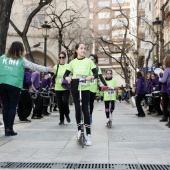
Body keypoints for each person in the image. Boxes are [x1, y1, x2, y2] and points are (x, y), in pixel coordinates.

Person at [0, 41, 54, 136]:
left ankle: (6, 129)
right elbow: (34, 66)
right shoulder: (21, 60)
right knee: (12, 107)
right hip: (14, 85)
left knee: (6, 106)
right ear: (21, 51)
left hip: (2, 84)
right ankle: (9, 129)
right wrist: (47, 69)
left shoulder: (2, 58)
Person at [63, 43, 98, 146]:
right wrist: (68, 78)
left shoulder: (89, 62)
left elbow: (95, 74)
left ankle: (88, 135)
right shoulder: (72, 62)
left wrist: (91, 77)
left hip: (85, 88)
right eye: (81, 48)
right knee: (78, 108)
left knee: (85, 110)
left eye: (84, 48)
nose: (83, 50)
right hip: (75, 88)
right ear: (76, 50)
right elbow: (65, 74)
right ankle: (79, 130)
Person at [88, 54, 107, 124]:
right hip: (85, 87)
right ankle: (85, 116)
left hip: (93, 89)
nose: (90, 60)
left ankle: (90, 115)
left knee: (91, 103)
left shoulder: (97, 68)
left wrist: (106, 85)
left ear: (95, 60)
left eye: (92, 59)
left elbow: (101, 78)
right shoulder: (86, 67)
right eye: (89, 59)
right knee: (85, 103)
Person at [54, 51, 71, 125]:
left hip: (66, 87)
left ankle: (67, 114)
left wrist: (69, 77)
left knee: (65, 103)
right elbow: (52, 74)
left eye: (63, 57)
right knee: (60, 104)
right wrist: (48, 75)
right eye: (60, 57)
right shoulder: (56, 66)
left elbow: (71, 74)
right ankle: (61, 119)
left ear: (65, 58)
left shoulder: (68, 66)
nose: (61, 59)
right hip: (58, 87)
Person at [159, 56, 170, 127]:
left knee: (166, 105)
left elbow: (163, 80)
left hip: (167, 90)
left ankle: (167, 119)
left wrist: (160, 78)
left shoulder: (167, 69)